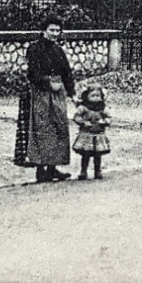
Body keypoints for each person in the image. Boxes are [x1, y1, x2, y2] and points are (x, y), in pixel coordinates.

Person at [15, 19, 74, 183]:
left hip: (57, 93)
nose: (55, 34)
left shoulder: (58, 50)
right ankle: (41, 169)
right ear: (44, 30)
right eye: (52, 30)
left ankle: (53, 168)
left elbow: (66, 72)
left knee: (59, 127)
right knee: (42, 129)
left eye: (57, 31)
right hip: (40, 93)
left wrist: (71, 92)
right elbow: (33, 72)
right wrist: (47, 83)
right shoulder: (35, 48)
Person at [73, 83, 112, 180]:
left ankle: (97, 171)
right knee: (85, 154)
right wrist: (83, 122)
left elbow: (109, 117)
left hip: (98, 135)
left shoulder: (102, 108)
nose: (95, 98)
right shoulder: (83, 107)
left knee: (97, 155)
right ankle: (83, 171)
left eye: (98, 96)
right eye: (93, 96)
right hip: (86, 135)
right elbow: (76, 116)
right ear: (87, 96)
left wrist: (104, 122)